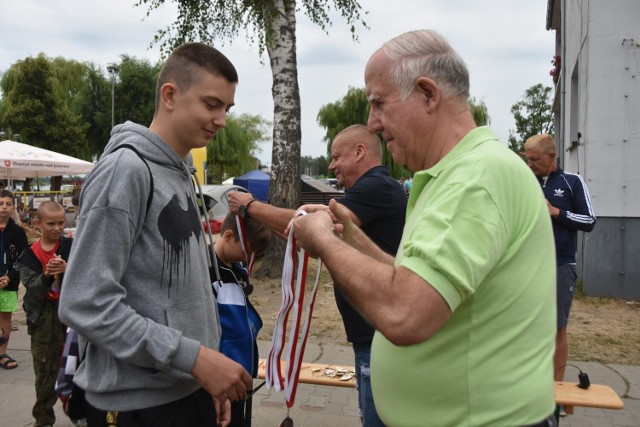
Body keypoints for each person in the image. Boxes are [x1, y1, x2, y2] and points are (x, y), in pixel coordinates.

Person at [289, 30, 557, 426]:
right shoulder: (456, 173)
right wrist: (351, 234)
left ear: (428, 94)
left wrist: (324, 242)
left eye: (378, 103)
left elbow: (405, 312)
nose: (372, 124)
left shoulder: (474, 178)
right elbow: (415, 281)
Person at [58, 42, 252, 427]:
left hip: (184, 392)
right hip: (137, 407)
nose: (222, 120)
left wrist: (201, 379)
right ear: (170, 95)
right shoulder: (126, 170)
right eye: (211, 104)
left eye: (227, 109)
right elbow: (84, 301)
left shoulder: (182, 173)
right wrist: (195, 360)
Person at [228, 124, 406, 426]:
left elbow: (315, 225)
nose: (331, 165)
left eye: (337, 157)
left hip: (377, 341)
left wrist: (250, 206)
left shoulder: (376, 186)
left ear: (360, 152)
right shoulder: (369, 191)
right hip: (370, 338)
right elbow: (303, 231)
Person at [524, 134, 596, 388]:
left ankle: (556, 390)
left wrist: (555, 212)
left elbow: (590, 221)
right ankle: (530, 384)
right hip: (527, 266)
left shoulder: (572, 182)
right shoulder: (524, 181)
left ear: (552, 157)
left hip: (560, 265)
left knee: (557, 329)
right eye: (527, 159)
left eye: (535, 159)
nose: (529, 164)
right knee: (526, 327)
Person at [211, 212, 271, 427]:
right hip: (218, 379)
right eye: (247, 251)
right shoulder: (206, 272)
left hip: (240, 376)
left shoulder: (238, 270)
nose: (249, 257)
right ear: (228, 236)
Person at [20, 201, 72, 426]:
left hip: (71, 315)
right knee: (45, 372)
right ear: (38, 223)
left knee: (76, 367)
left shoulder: (71, 246)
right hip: (44, 318)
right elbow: (32, 290)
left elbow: (89, 276)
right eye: (51, 223)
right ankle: (43, 419)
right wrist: (47, 275)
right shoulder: (29, 254)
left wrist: (67, 269)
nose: (57, 228)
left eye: (61, 223)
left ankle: (79, 413)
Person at [0, 190, 28, 370]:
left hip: (8, 283)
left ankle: (2, 353)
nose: (4, 207)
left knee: (5, 318)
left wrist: (9, 276)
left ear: (13, 207)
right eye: (0, 203)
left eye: (8, 204)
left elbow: (22, 257)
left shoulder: (17, 232)